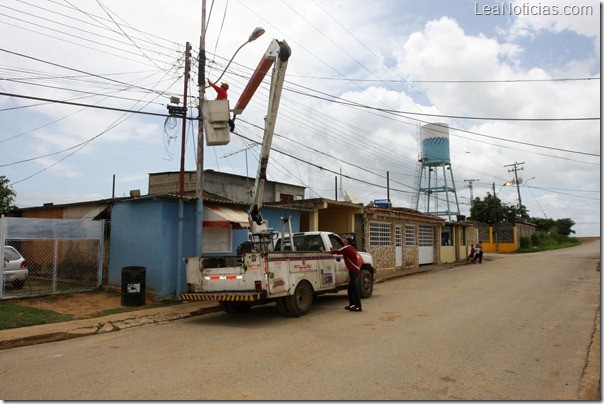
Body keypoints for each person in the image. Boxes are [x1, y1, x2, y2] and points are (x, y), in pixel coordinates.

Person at [326, 236, 364, 312]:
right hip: (354, 270)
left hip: (353, 270)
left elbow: (335, 252)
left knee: (354, 289)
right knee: (350, 288)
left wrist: (323, 251)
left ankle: (358, 306)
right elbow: (337, 251)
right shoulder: (349, 248)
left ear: (347, 241)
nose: (343, 240)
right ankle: (352, 305)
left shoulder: (346, 248)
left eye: (344, 239)